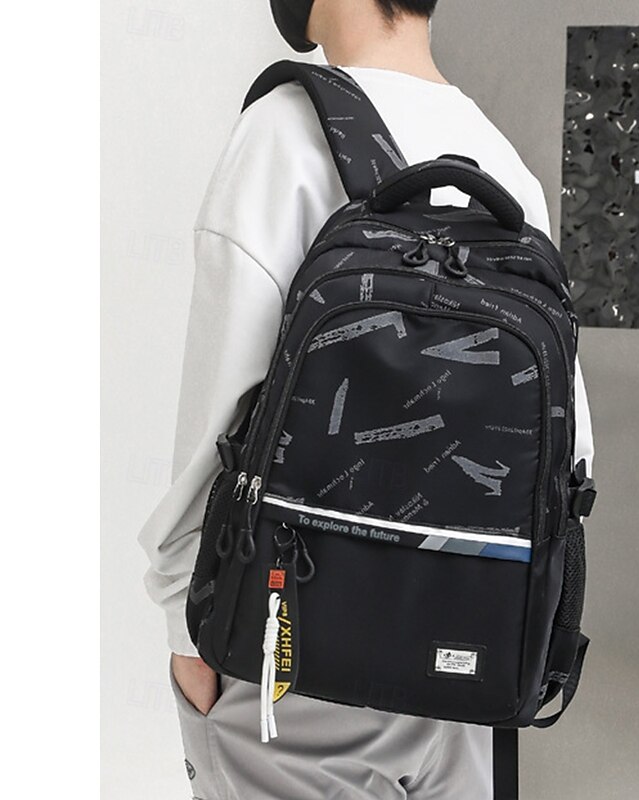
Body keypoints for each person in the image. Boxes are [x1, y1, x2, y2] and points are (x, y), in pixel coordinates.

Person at [138, 0, 595, 797]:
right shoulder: (501, 162)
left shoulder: (285, 132)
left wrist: (187, 625)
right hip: (469, 678)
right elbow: (572, 451)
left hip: (293, 666)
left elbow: (218, 409)